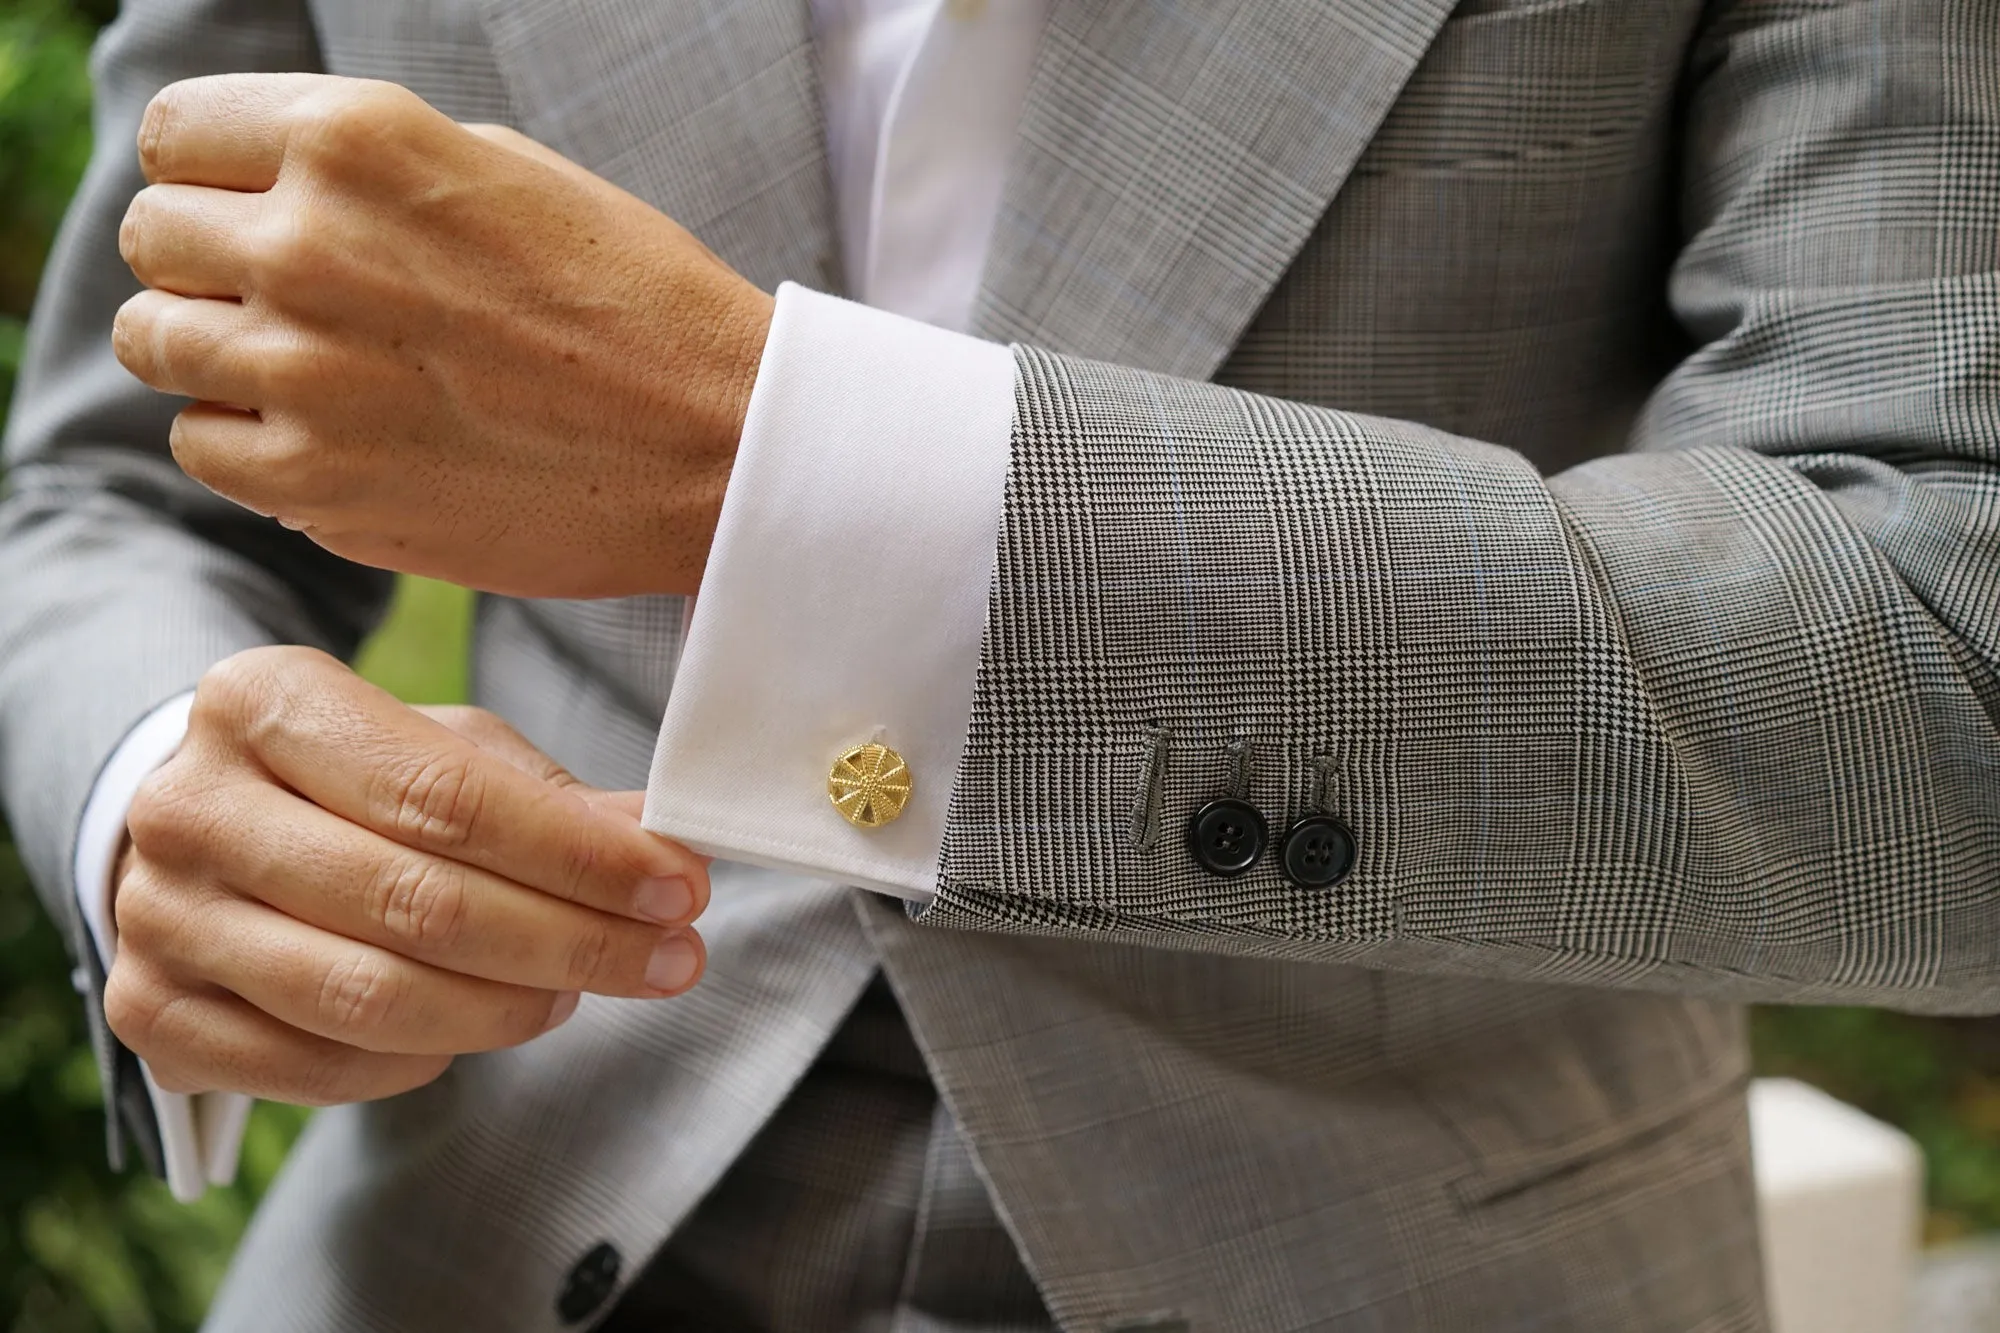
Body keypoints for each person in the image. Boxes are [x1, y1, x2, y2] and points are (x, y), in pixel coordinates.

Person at [3, 0, 1996, 1328]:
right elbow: (106, 486)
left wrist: (771, 459)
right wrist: (158, 771)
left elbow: (1949, 659)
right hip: (480, 1219)